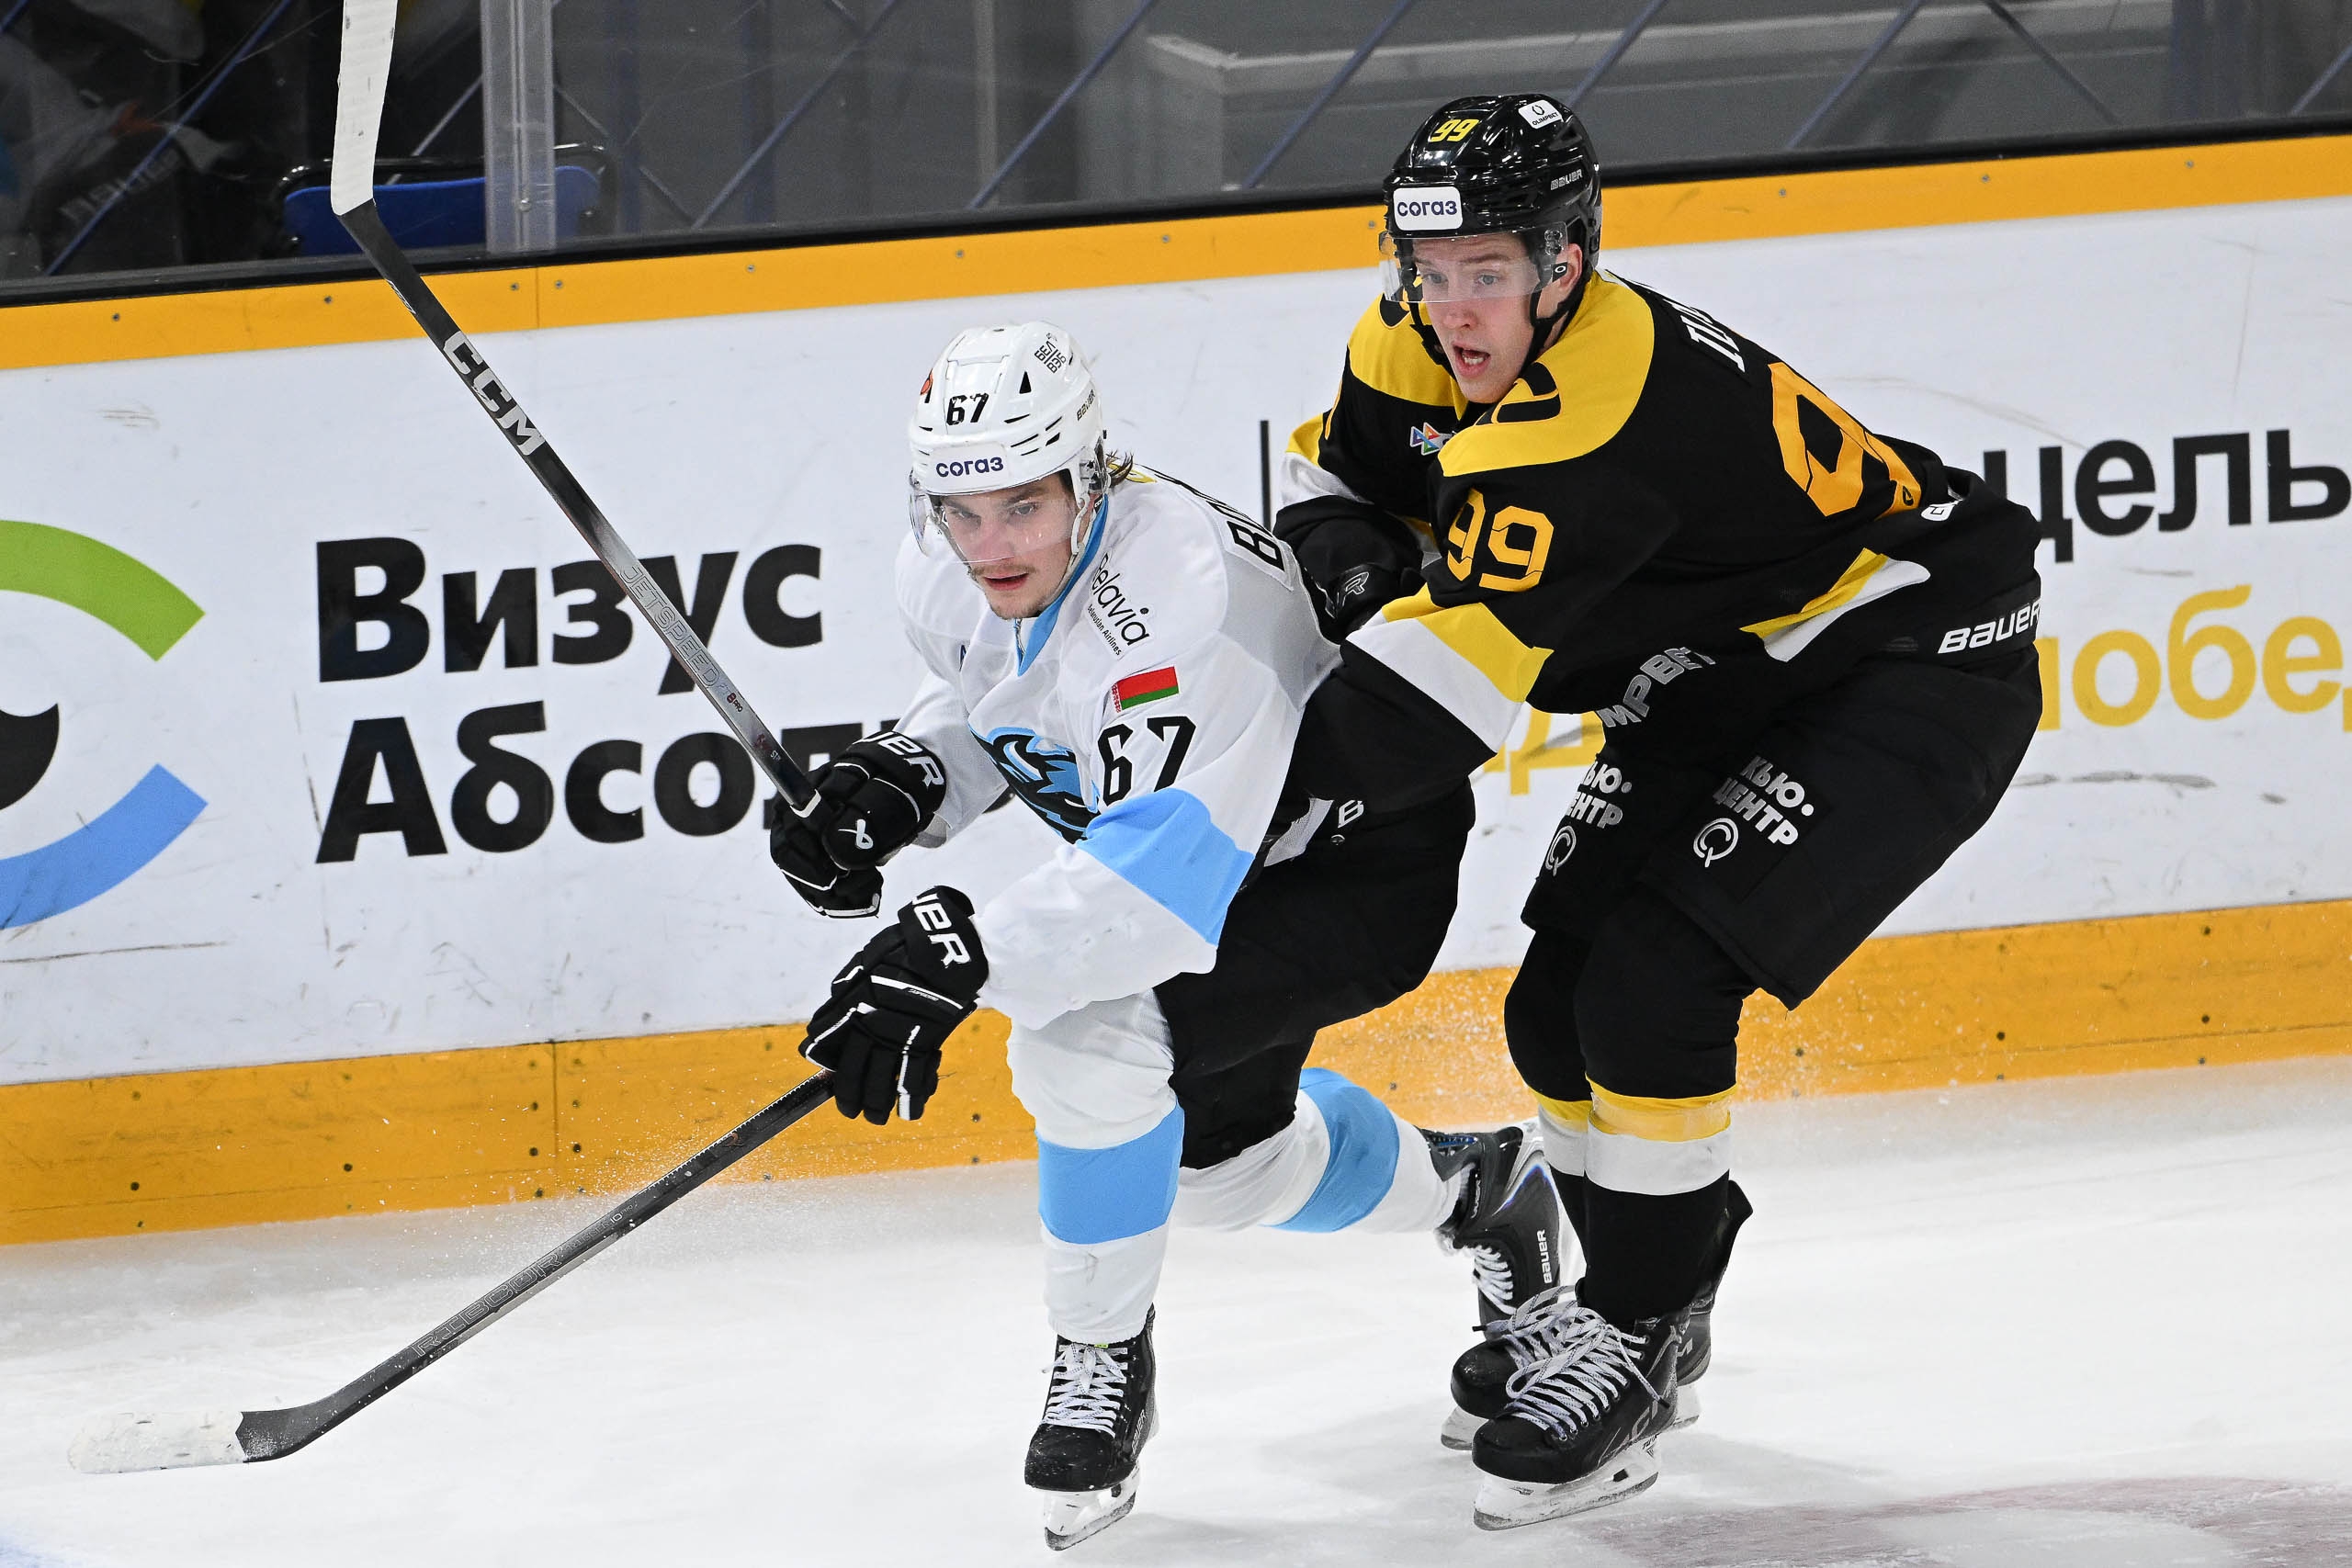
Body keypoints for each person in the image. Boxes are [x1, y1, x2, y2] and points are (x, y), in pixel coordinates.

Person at [1273, 94, 2044, 1529]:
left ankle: (1634, 1330)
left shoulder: (1598, 414)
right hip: (1728, 661)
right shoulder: (1410, 336)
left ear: (1565, 261)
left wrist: (1220, 828)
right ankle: (1643, 1301)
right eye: (1429, 271)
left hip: (1910, 660)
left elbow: (1430, 708)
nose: (1451, 310)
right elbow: (1339, 486)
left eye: (1487, 272)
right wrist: (1349, 554)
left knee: (1652, 987)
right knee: (1549, 1013)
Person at [769, 321, 1565, 1551]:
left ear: (1090, 477)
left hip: (1350, 868)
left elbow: (1155, 891)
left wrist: (962, 952)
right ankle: (1488, 1190)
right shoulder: (954, 566)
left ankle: (1100, 1366)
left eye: (1024, 507)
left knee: (1085, 1044)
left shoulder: (1181, 599)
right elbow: (1010, 696)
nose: (991, 545)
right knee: (1223, 1170)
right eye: (963, 512)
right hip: (1222, 863)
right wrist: (910, 775)